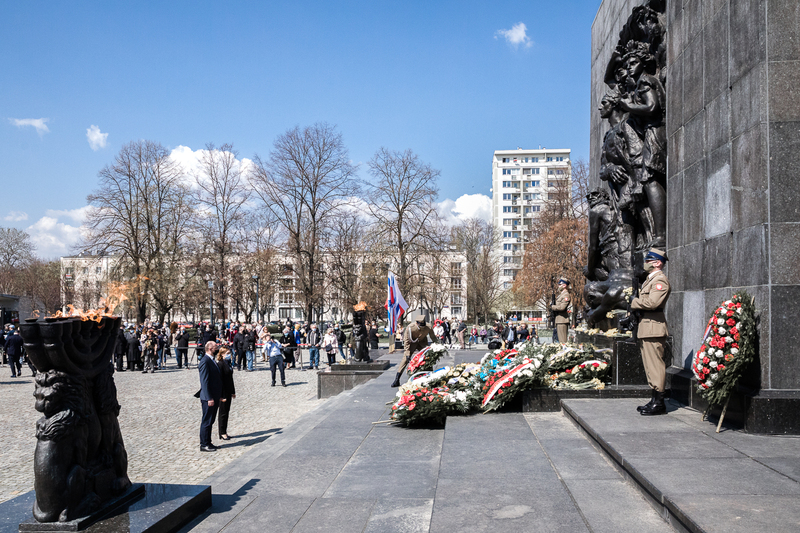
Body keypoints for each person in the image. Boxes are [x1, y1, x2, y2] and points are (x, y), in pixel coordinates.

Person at [631, 248, 671, 416]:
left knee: (655, 366)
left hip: (653, 327)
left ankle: (659, 402)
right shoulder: (650, 280)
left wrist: (634, 302)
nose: (645, 263)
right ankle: (654, 399)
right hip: (646, 327)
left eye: (649, 260)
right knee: (650, 366)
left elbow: (653, 302)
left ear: (657, 263)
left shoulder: (660, 280)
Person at [391, 313, 436, 387]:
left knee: (428, 357)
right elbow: (406, 341)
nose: (422, 328)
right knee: (405, 360)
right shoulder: (410, 328)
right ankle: (397, 379)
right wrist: (408, 353)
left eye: (423, 326)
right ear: (416, 323)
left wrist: (438, 345)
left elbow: (433, 337)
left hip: (422, 343)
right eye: (420, 326)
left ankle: (430, 377)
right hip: (412, 343)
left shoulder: (428, 327)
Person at [198, 341, 223, 452]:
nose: (217, 348)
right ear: (210, 349)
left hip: (215, 396)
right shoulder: (205, 361)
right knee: (206, 421)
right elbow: (204, 381)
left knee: (211, 421)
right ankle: (204, 444)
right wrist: (209, 398)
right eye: (215, 347)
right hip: (208, 397)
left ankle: (208, 442)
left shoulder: (212, 360)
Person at [215, 346, 236, 440]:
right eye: (227, 353)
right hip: (223, 392)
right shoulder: (220, 364)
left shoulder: (228, 363)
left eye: (229, 353)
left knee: (226, 412)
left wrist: (233, 391)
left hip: (228, 390)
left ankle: (225, 431)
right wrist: (220, 395)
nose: (229, 355)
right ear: (222, 354)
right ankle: (222, 432)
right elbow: (220, 380)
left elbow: (230, 379)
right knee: (222, 413)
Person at [551, 278, 571, 343]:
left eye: (560, 284)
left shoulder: (566, 295)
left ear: (564, 285)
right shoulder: (561, 295)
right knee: (560, 341)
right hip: (559, 320)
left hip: (562, 320)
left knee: (563, 341)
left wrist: (553, 307)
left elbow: (562, 307)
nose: (558, 286)